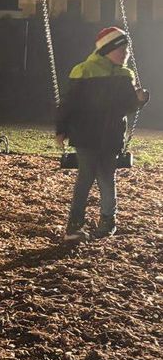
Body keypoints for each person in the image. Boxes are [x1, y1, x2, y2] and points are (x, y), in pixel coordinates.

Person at [56, 26, 149, 240]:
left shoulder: (126, 75)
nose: (125, 54)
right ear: (107, 50)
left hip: (111, 136)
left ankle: (108, 221)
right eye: (121, 50)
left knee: (107, 177)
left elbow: (125, 106)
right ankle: (75, 226)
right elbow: (69, 103)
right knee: (86, 177)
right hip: (85, 135)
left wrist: (139, 101)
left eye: (127, 50)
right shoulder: (84, 71)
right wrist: (61, 129)